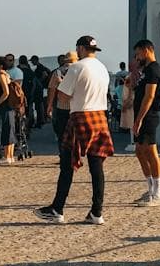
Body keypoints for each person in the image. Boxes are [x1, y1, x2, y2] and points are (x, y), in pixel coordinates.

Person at [38, 36, 114, 224]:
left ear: (80, 48)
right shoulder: (102, 68)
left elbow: (63, 96)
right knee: (97, 168)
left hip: (81, 116)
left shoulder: (76, 67)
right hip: (100, 117)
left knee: (67, 165)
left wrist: (59, 84)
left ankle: (57, 209)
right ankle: (97, 212)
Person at [130, 39, 160, 205]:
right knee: (139, 150)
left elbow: (150, 96)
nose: (137, 58)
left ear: (146, 50)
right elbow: (136, 90)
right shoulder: (145, 70)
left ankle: (158, 193)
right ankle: (151, 187)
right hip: (141, 114)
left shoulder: (154, 70)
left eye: (138, 54)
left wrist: (139, 119)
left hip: (149, 116)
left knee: (151, 151)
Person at [0, 54, 23, 163]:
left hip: (4, 106)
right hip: (10, 107)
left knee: (5, 129)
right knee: (10, 129)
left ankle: (7, 156)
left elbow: (6, 92)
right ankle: (10, 156)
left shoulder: (2, 76)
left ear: (0, 65)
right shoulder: (7, 75)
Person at [46, 52, 73, 142]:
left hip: (61, 103)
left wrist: (49, 105)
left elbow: (51, 89)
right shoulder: (80, 70)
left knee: (60, 125)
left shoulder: (57, 72)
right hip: (77, 105)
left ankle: (62, 141)